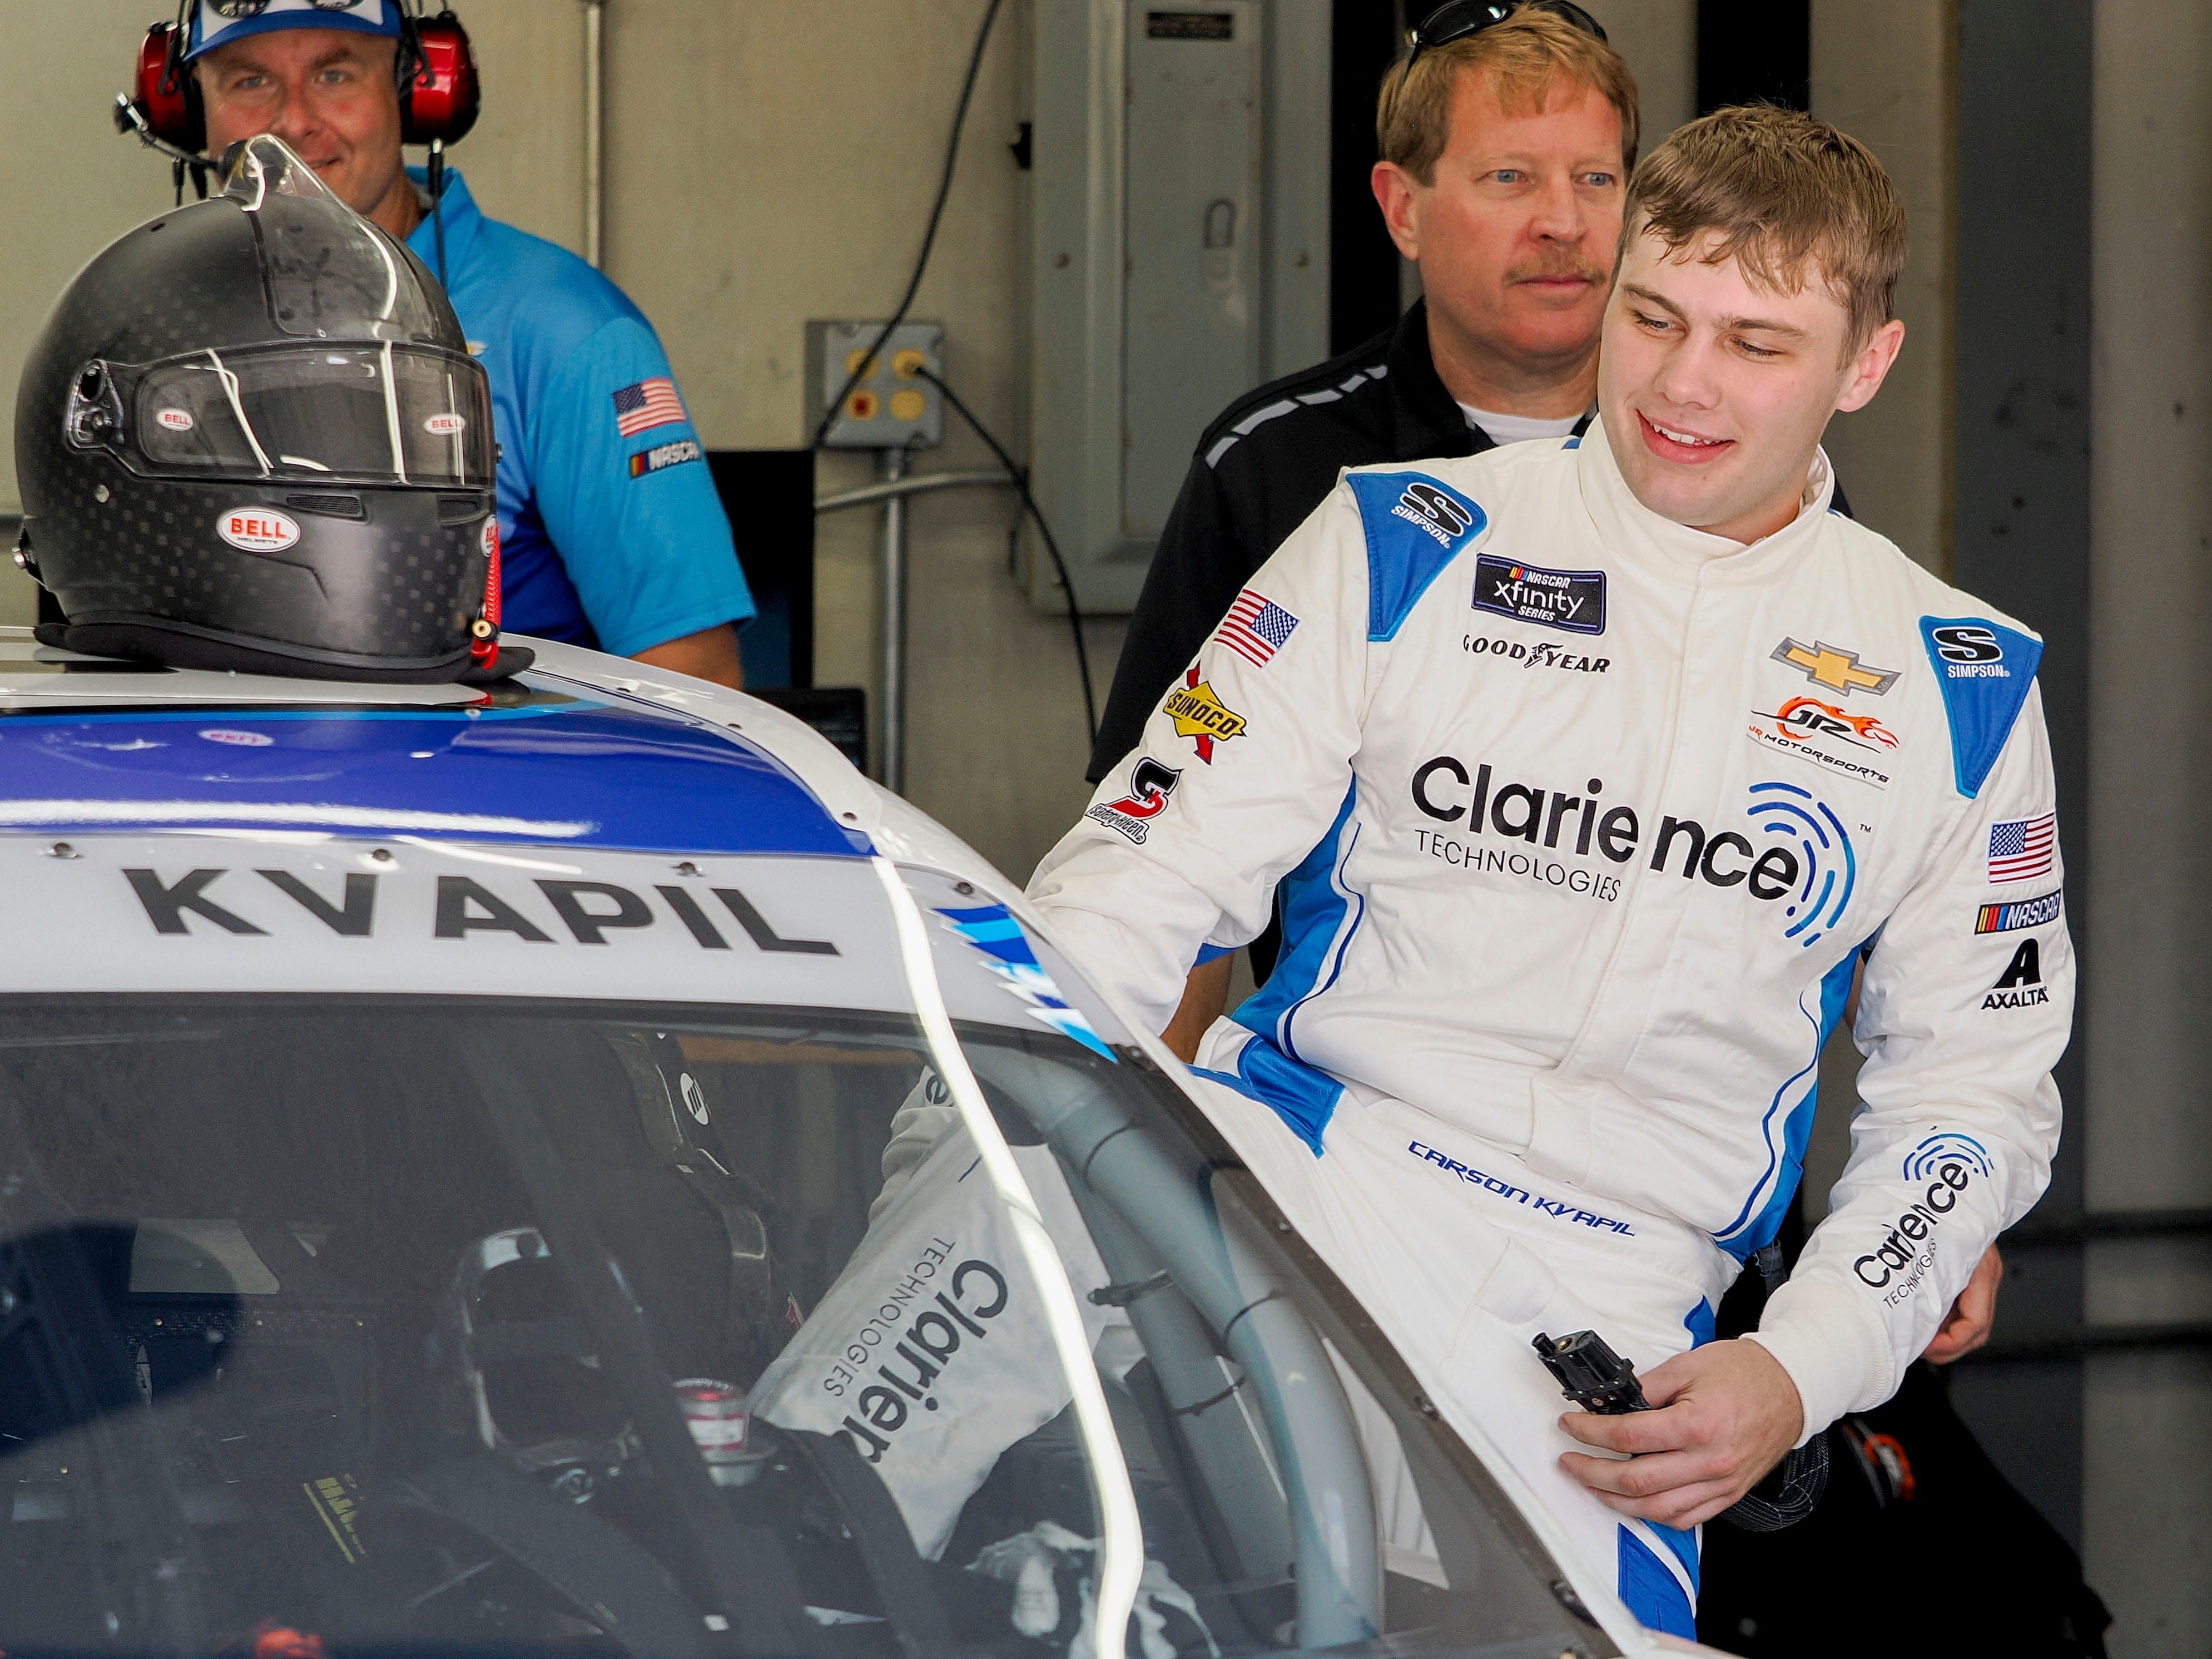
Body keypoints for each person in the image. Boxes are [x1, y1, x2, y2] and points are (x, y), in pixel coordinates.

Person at [1027, 105, 2072, 1637]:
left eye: (1756, 342)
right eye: (1652, 316)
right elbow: (1126, 888)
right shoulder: (1401, 535)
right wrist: (1023, 1156)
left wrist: (1801, 1364)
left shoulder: (1956, 677)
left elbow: (1972, 1100)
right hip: (1286, 1174)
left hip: (1606, 1322)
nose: (1685, 383)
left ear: (1864, 366)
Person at [1094, 2, 1634, 1052]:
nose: (1563, 223)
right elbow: (1163, 883)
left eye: (1596, 179)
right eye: (1508, 177)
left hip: (1666, 1170)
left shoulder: (1742, 473)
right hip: (1348, 1142)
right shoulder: (1273, 467)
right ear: (1402, 208)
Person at [181, 0, 753, 686]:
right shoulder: (158, 324)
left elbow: (693, 674)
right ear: (192, 115)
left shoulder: (566, 328)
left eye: (335, 76)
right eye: (250, 82)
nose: (294, 122)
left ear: (416, 95)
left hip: (491, 781)